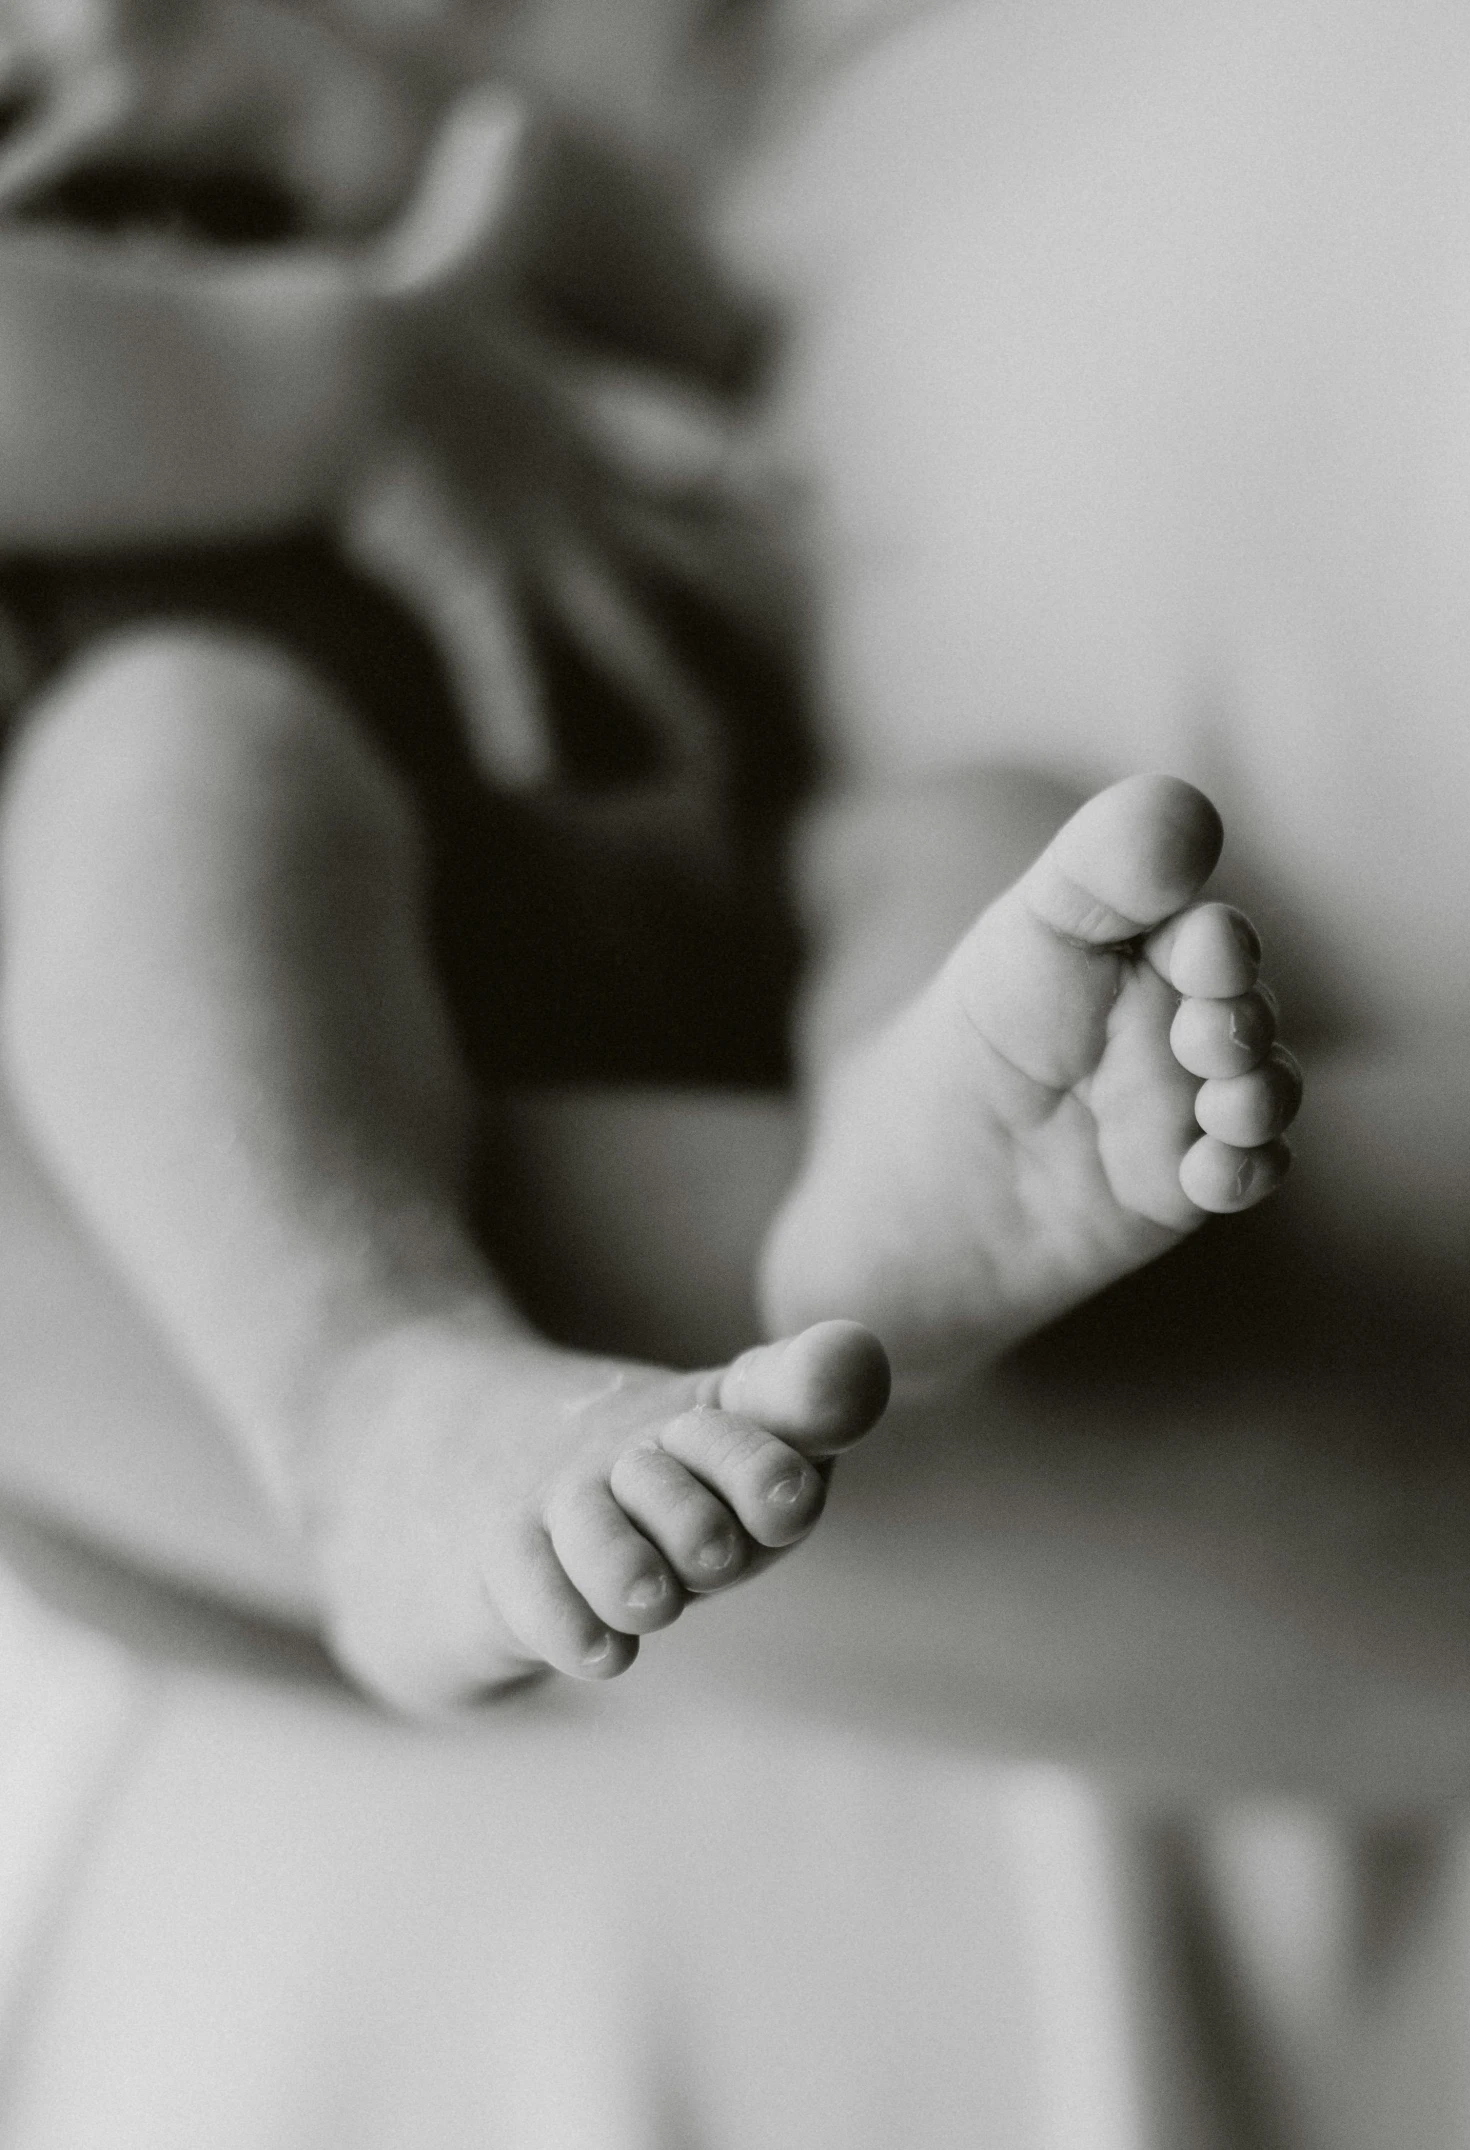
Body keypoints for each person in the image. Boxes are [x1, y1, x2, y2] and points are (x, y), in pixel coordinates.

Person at [0, 0, 1300, 1713]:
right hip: (246, 940)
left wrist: (362, 115)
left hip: (679, 826)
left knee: (991, 849)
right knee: (170, 758)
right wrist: (349, 387)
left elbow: (686, 310)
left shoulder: (243, 128)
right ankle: (370, 1385)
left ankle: (883, 1214)